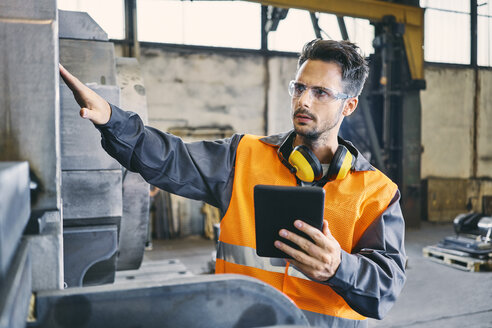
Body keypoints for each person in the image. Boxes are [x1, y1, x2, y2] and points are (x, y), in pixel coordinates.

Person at [60, 39, 406, 327]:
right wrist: (111, 120)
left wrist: (338, 267)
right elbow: (172, 158)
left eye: (320, 93)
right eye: (299, 88)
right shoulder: (243, 156)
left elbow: (386, 289)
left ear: (349, 106)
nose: (303, 100)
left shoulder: (376, 193)